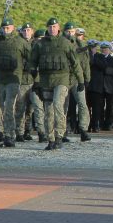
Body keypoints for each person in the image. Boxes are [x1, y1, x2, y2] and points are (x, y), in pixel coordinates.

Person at [30, 18, 80, 150]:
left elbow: (75, 63)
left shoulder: (65, 43)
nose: (52, 29)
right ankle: (50, 138)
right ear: (47, 28)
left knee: (58, 104)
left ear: (59, 28)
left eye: (55, 26)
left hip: (62, 80)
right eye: (50, 27)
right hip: (46, 80)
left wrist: (81, 80)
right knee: (48, 110)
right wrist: (34, 80)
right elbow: (32, 62)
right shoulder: (40, 44)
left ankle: (59, 136)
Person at [0, 17, 29, 147]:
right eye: (3, 28)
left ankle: (9, 135)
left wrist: (30, 69)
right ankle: (2, 132)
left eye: (8, 28)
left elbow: (31, 56)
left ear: (13, 28)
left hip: (13, 78)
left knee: (9, 107)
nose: (5, 30)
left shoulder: (20, 42)